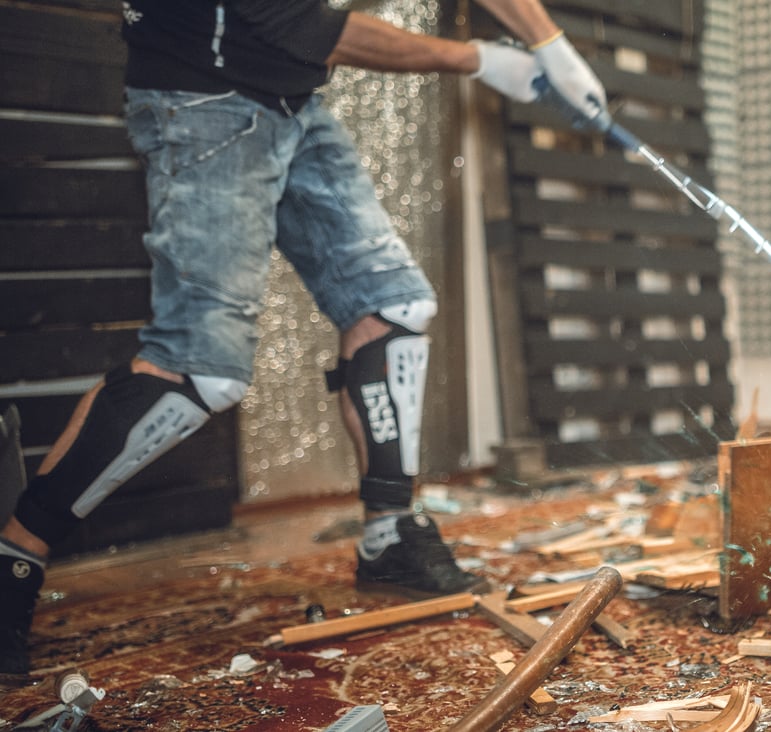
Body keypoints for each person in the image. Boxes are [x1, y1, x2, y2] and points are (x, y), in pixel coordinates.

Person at [0, 0, 607, 677]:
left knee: (392, 306)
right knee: (200, 369)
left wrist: (550, 42)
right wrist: (484, 60)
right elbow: (315, 31)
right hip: (202, 101)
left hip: (289, 99)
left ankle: (390, 539)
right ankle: (14, 559)